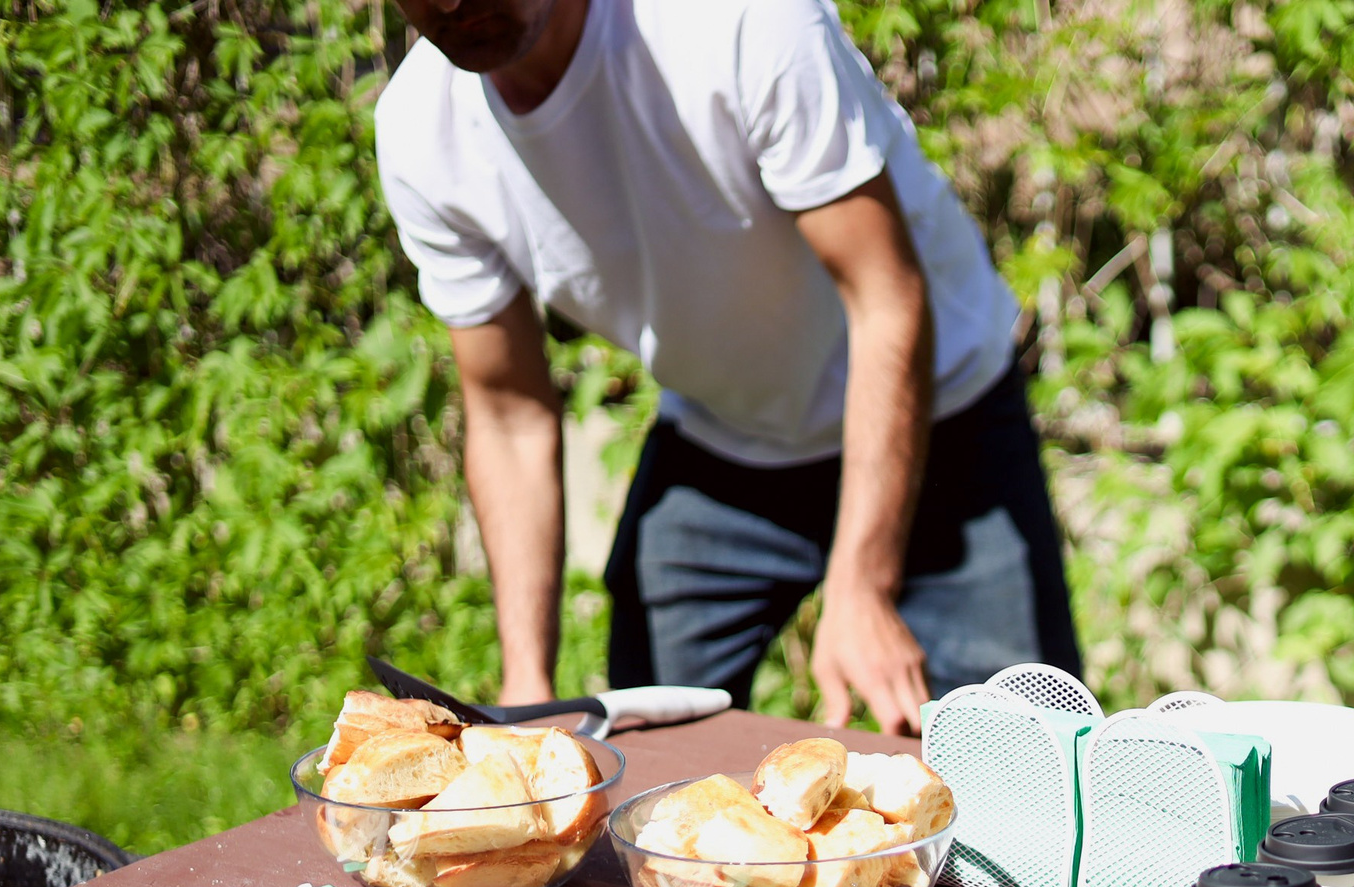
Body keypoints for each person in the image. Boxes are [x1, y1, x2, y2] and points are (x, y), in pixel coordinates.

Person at [376, 0, 1080, 733]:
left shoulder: (740, 18)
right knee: (646, 752)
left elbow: (888, 300)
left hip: (939, 411)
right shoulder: (420, 132)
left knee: (1022, 761)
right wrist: (524, 693)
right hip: (723, 432)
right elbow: (508, 414)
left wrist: (864, 584)